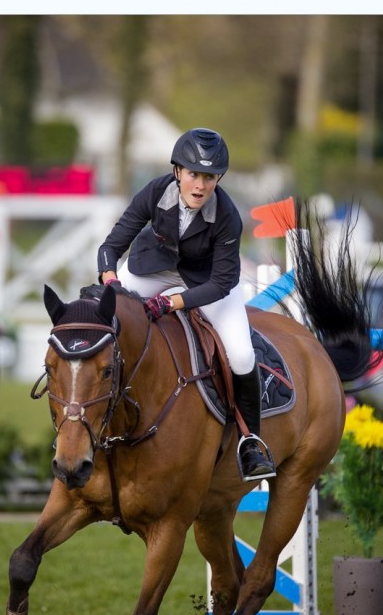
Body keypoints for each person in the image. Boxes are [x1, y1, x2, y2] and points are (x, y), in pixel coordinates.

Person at [97, 127, 275, 481]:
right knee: (110, 318)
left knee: (241, 354)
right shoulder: (155, 191)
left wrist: (171, 303)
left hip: (207, 284)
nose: (199, 186)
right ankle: (98, 414)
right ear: (177, 171)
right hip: (153, 270)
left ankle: (250, 441)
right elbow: (111, 247)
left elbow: (223, 282)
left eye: (209, 177)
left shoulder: (227, 216)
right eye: (193, 174)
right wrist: (110, 281)